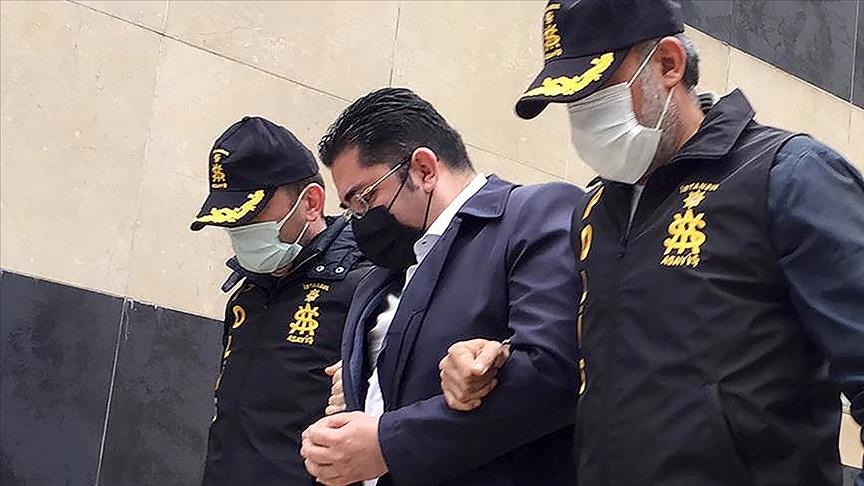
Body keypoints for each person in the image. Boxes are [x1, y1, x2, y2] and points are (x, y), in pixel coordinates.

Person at [438, 1, 864, 485]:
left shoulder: (786, 175)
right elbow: (617, 351)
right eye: (572, 103)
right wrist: (498, 357)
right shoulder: (595, 210)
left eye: (597, 92)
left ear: (667, 64)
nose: (583, 117)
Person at [298, 87, 583, 486]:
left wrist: (388, 445)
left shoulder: (532, 215)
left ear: (424, 170)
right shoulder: (380, 277)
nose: (359, 219)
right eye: (350, 208)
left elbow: (552, 373)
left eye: (365, 197)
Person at [190, 116, 372, 486]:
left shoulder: (367, 285)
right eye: (232, 224)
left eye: (252, 218)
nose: (241, 234)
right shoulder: (247, 294)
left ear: (311, 203)